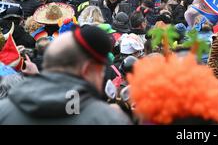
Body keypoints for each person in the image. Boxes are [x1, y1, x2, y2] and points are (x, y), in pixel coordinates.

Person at [0, 25, 131, 124]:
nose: (102, 76)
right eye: (100, 71)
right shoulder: (107, 119)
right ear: (86, 70)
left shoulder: (4, 111)